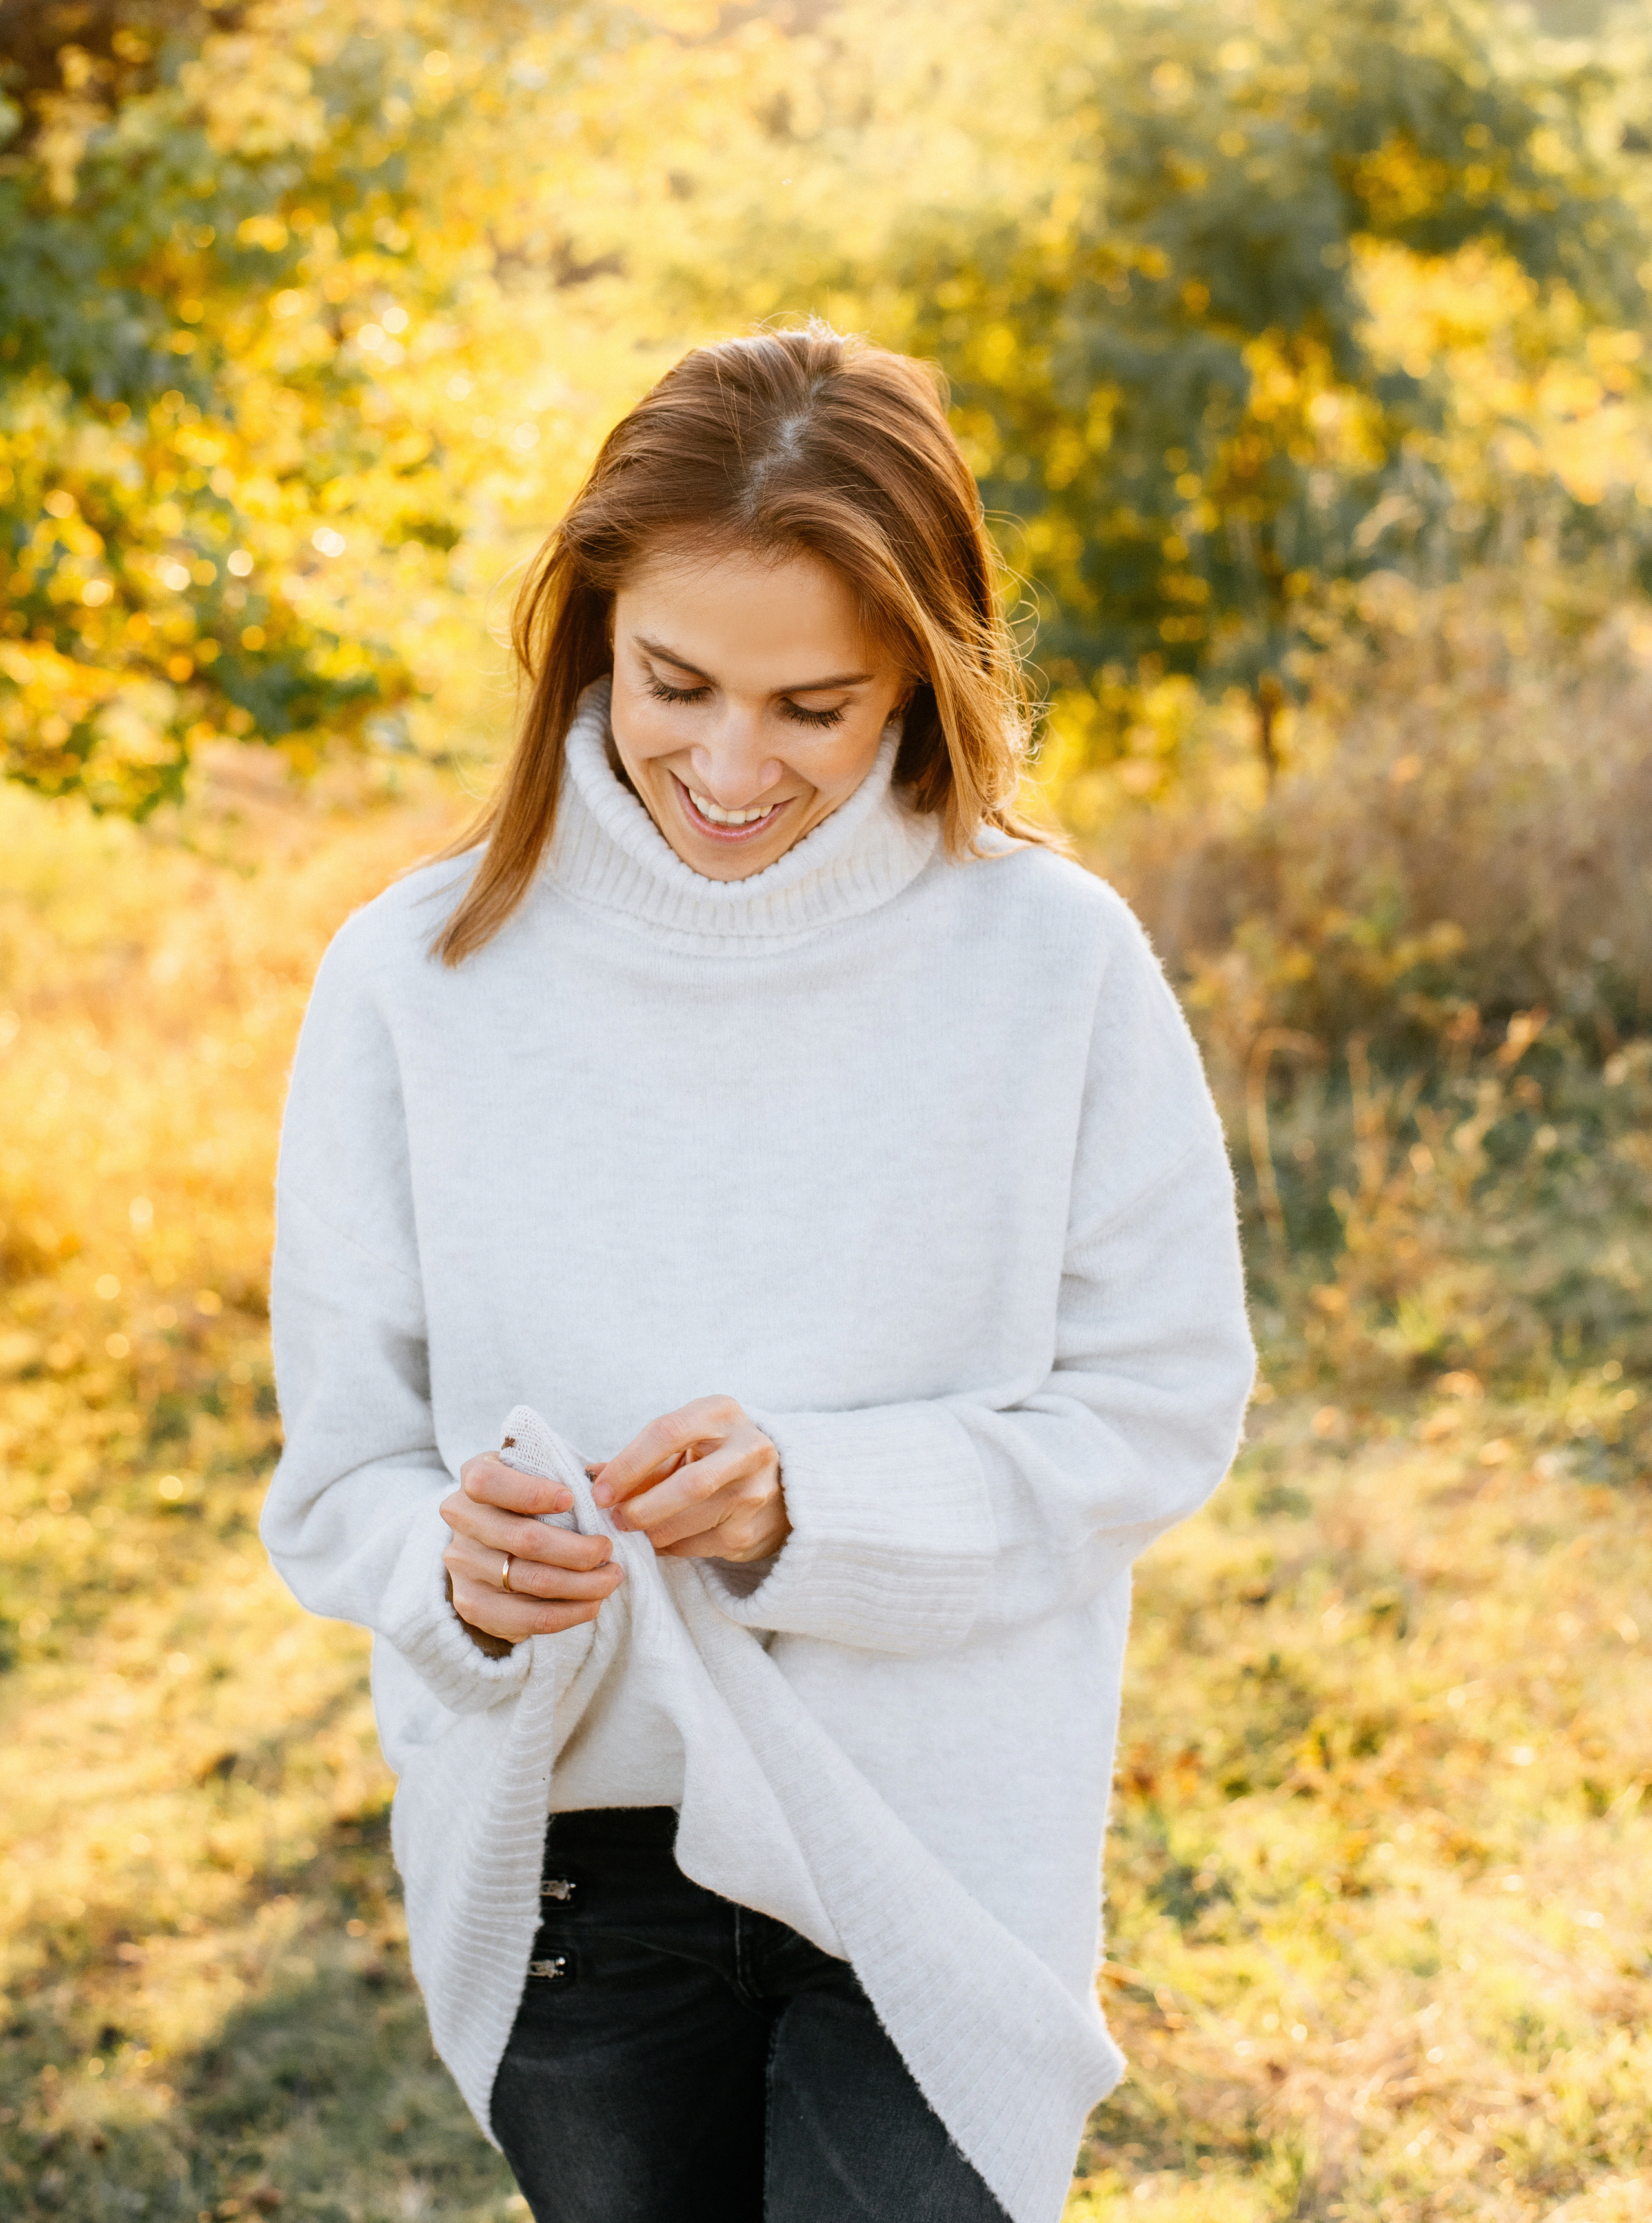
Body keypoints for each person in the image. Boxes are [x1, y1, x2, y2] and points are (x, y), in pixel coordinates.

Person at [260, 325, 1254, 2223]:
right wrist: (452, 1574)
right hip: (573, 1847)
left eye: (815, 704)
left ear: (924, 676)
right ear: (594, 634)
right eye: (677, 681)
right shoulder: (411, 977)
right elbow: (345, 1480)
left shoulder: (1051, 961)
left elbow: (1158, 1405)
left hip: (937, 1830)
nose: (729, 765)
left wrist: (816, 1501)